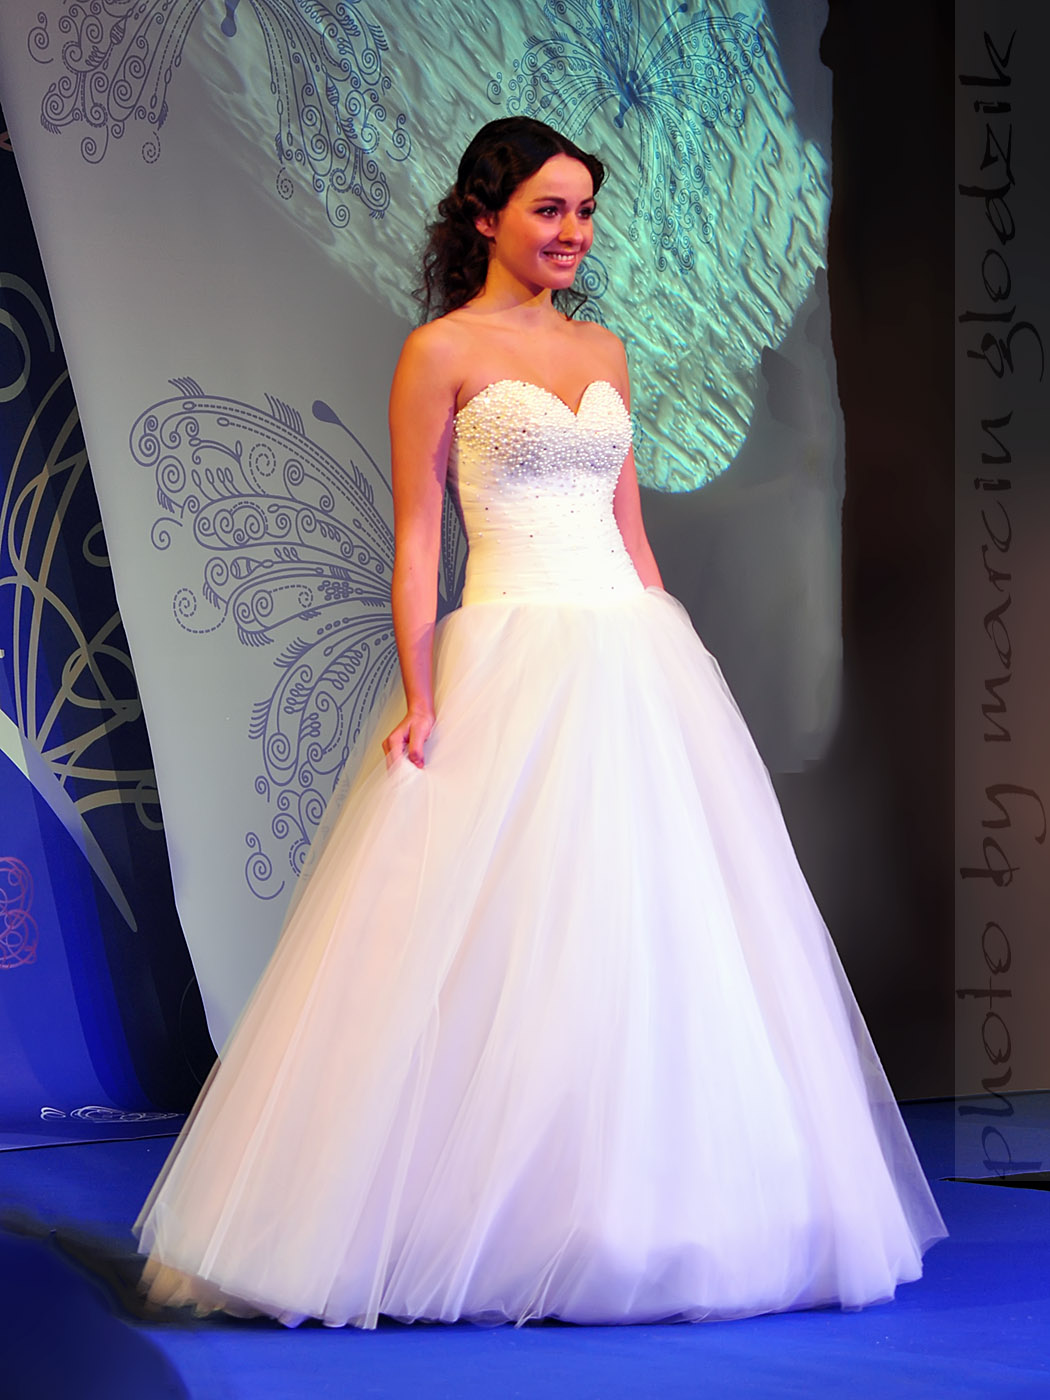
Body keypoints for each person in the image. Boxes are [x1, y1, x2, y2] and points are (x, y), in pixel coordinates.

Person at [136, 117, 946, 1328]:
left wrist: (676, 657)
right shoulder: (440, 352)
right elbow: (419, 540)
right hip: (510, 646)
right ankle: (481, 1219)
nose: (573, 233)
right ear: (485, 217)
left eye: (584, 212)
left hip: (627, 650)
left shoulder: (602, 347)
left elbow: (629, 530)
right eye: (548, 210)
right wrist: (423, 694)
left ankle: (653, 1210)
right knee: (501, 937)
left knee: (648, 933)